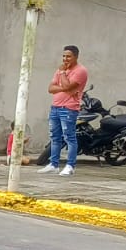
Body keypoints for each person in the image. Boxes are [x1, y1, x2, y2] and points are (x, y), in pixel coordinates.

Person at [42, 45, 89, 176]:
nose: (65, 59)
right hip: (55, 107)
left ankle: (70, 166)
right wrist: (64, 88)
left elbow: (69, 86)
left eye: (68, 56)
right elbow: (51, 88)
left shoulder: (80, 71)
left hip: (68, 108)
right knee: (55, 136)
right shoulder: (61, 69)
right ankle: (53, 164)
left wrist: (63, 75)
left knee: (69, 137)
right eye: (63, 56)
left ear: (76, 57)